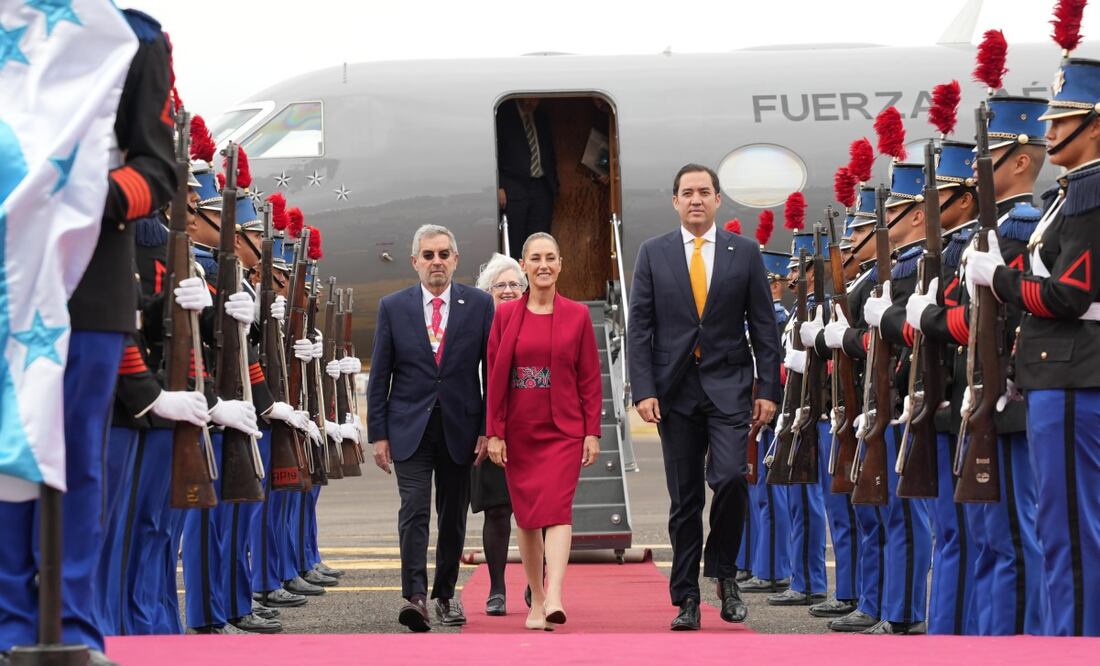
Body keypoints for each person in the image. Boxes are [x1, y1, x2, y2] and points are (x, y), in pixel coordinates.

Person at [967, 54, 1100, 637]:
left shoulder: (1092, 192)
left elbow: (1071, 295)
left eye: (1062, 119)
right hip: (1055, 376)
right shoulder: (1073, 193)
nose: (1048, 132)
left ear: (1095, 123)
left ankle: (1074, 646)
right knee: (1060, 530)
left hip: (1073, 376)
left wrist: (998, 278)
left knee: (1070, 531)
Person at [628, 163, 781, 631]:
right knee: (686, 499)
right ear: (675, 201)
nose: (696, 199)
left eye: (704, 192)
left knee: (733, 477)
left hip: (729, 385)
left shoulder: (744, 252)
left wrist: (768, 388)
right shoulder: (653, 254)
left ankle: (724, 573)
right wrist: (644, 389)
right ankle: (686, 598)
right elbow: (641, 328)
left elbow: (763, 325)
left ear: (718, 200)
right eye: (687, 193)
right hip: (675, 391)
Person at [367, 225, 494, 632]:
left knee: (453, 515)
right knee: (415, 510)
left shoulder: (478, 304)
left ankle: (445, 595)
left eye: (443, 254)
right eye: (428, 255)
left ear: (456, 260)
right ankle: (416, 597)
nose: (436, 262)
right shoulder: (393, 306)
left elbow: (490, 372)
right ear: (415, 262)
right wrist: (379, 434)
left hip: (461, 428)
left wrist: (488, 428)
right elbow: (380, 374)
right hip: (409, 429)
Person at [485, 234, 602, 631]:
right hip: (520, 431)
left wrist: (592, 431)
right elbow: (496, 379)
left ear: (561, 264)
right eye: (535, 258)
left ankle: (555, 594)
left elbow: (589, 377)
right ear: (524, 265)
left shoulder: (578, 315)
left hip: (563, 430)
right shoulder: (504, 317)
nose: (544, 265)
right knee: (528, 518)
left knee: (558, 512)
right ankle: (535, 598)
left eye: (551, 258)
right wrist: (495, 432)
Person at [471, 254, 527, 616]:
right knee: (497, 511)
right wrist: (483, 432)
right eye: (500, 285)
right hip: (488, 432)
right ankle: (496, 588)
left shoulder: (536, 321)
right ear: (486, 292)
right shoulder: (476, 327)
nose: (508, 291)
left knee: (536, 515)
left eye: (514, 285)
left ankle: (537, 587)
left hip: (531, 431)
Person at [496, 98, 559, 259]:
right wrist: (499, 185)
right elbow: (495, 153)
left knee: (540, 242)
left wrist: (553, 184)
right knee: (516, 243)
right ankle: (517, 282)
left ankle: (536, 283)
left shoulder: (541, 116)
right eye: (529, 99)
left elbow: (549, 150)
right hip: (513, 187)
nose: (532, 102)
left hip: (542, 186)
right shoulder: (503, 115)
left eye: (536, 99)